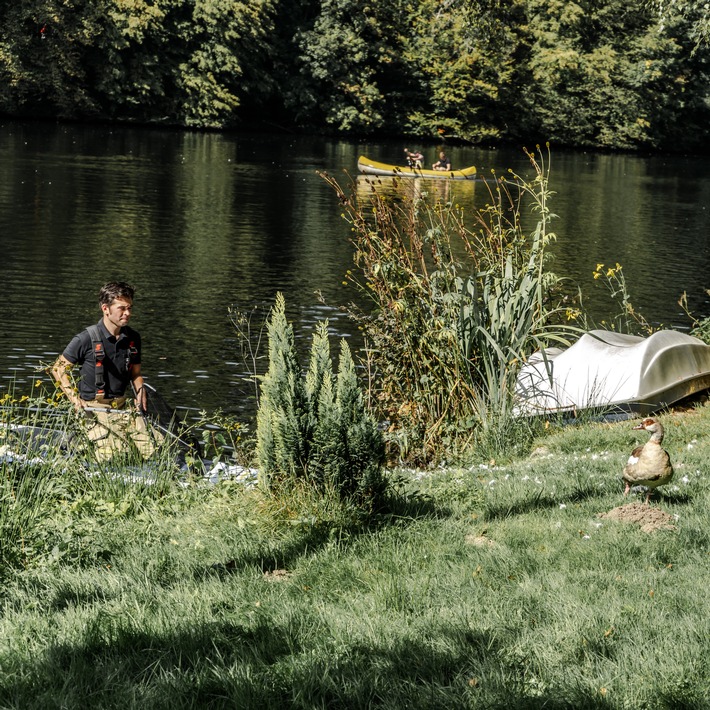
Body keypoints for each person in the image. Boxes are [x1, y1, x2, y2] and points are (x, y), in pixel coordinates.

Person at [51, 281, 160, 460]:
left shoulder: (133, 338)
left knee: (157, 450)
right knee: (114, 455)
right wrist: (74, 399)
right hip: (94, 408)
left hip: (122, 407)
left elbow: (136, 375)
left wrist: (141, 393)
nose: (127, 313)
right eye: (122, 308)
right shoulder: (85, 338)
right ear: (105, 308)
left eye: (130, 308)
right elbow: (58, 368)